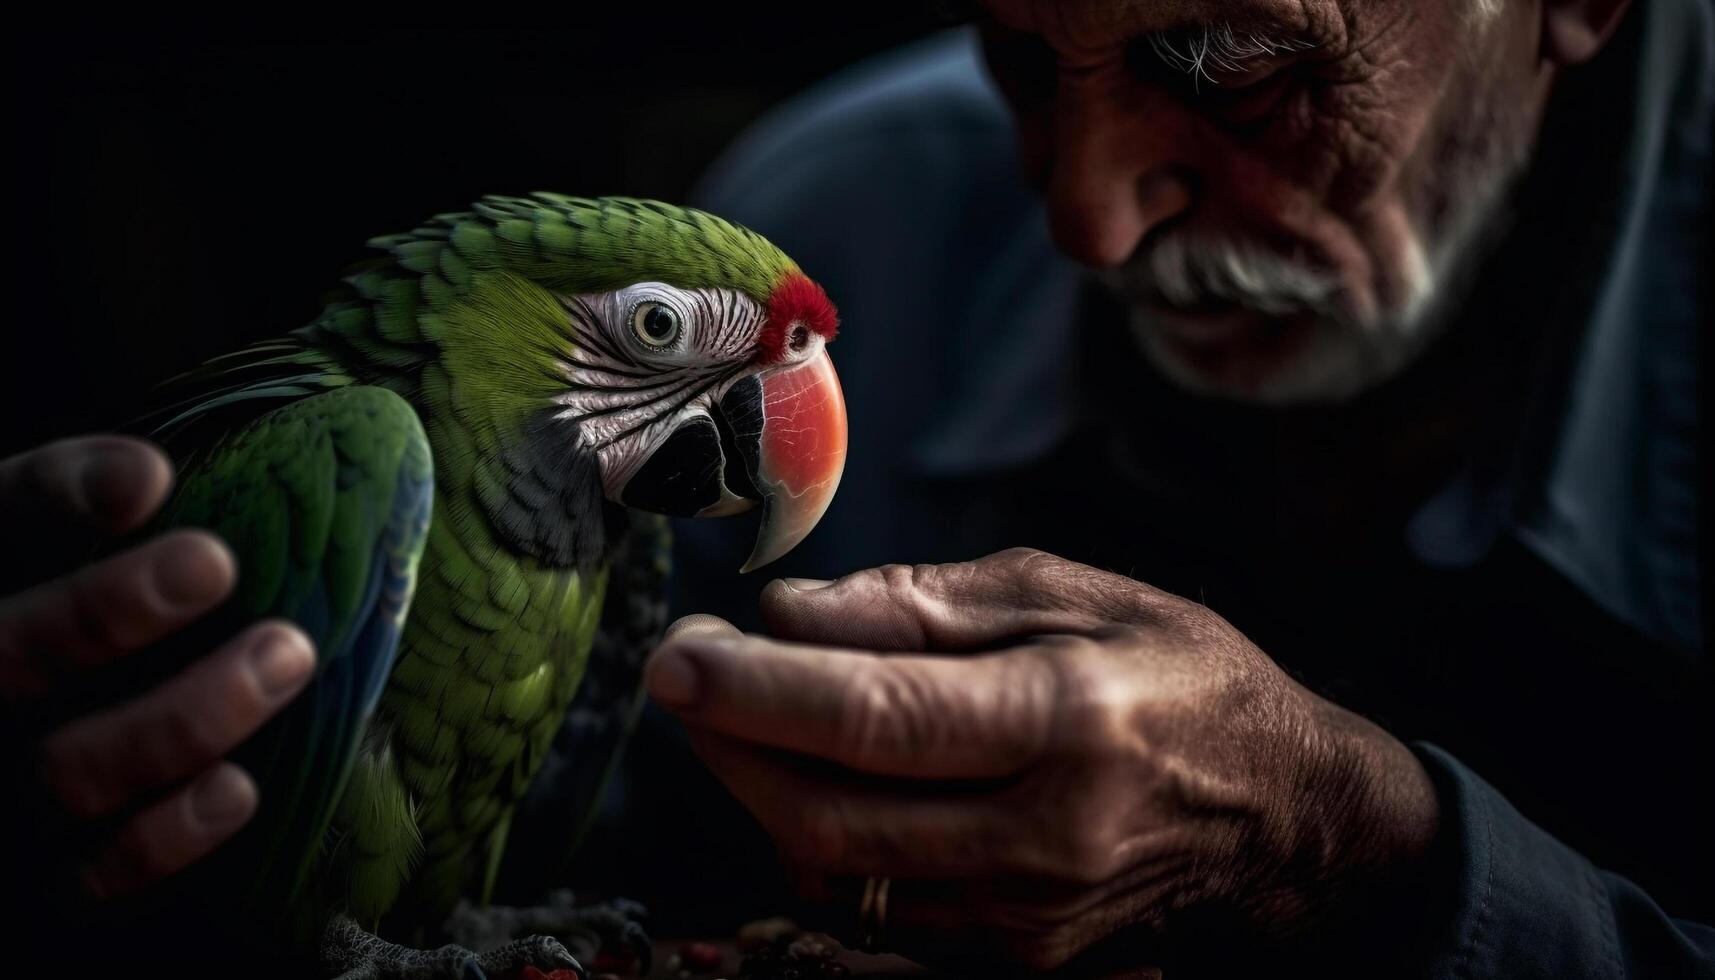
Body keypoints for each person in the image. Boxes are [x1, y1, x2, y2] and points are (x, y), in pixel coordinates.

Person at [648, 0, 1713, 975]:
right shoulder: (844, 224)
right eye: (1018, 61)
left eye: (1229, 70)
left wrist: (1353, 859)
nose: (1089, 219)